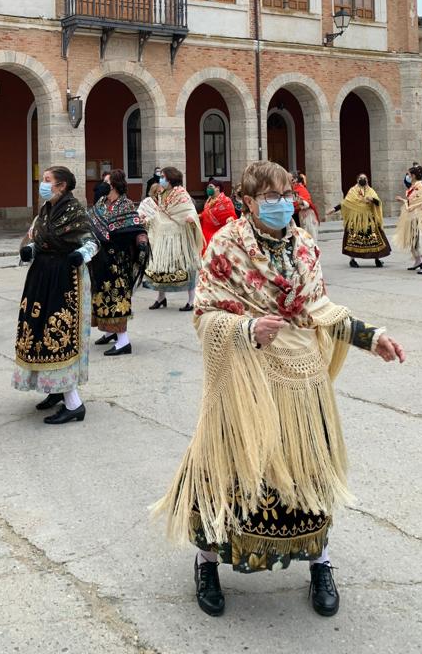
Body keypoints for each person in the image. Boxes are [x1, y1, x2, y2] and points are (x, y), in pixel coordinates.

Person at [153, 160, 405, 620]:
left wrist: (372, 338)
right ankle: (207, 562)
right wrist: (247, 327)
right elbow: (206, 314)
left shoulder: (306, 245)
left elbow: (320, 309)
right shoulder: (226, 248)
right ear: (247, 201)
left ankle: (319, 561)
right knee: (228, 470)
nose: (282, 203)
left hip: (302, 380)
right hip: (247, 379)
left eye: (286, 193)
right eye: (270, 197)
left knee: (310, 471)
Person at [13, 166, 98, 424]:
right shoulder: (46, 211)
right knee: (37, 330)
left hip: (66, 278)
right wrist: (31, 251)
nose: (43, 183)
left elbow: (92, 242)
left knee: (58, 334)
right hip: (42, 276)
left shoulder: (75, 211)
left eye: (48, 181)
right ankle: (55, 390)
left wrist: (79, 255)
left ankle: (74, 404)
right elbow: (40, 240)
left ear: (61, 186)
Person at [88, 168, 148, 355]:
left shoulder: (126, 204)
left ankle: (124, 341)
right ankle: (109, 332)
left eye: (106, 182)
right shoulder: (101, 203)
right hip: (100, 258)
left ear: (113, 185)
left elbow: (135, 226)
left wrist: (142, 242)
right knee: (100, 295)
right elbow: (90, 222)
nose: (102, 185)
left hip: (118, 260)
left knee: (117, 296)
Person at [138, 166, 203, 312]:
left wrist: (191, 218)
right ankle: (161, 298)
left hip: (180, 237)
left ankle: (191, 300)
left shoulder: (181, 193)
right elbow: (159, 215)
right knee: (162, 268)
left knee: (185, 267)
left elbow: (190, 210)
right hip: (164, 237)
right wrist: (147, 220)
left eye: (163, 177)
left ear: (170, 178)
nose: (160, 179)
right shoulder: (163, 194)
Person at [329, 173, 391, 268]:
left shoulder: (371, 191)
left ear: (367, 180)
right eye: (361, 178)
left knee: (374, 238)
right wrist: (334, 209)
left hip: (369, 218)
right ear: (357, 180)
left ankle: (377, 259)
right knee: (353, 239)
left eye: (365, 178)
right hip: (356, 219)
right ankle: (352, 259)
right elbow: (345, 203)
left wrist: (373, 200)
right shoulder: (352, 191)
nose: (363, 179)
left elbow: (379, 202)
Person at [394, 164, 422, 275]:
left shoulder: (420, 186)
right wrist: (403, 200)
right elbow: (413, 202)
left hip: (421, 217)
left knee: (421, 239)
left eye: (408, 174)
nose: (407, 176)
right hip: (413, 216)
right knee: (414, 240)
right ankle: (421, 262)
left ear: (413, 175)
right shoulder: (413, 187)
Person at [198, 181, 237, 253]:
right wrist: (199, 216)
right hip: (205, 233)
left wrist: (230, 219)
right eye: (207, 187)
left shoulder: (226, 200)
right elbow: (206, 213)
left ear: (217, 188)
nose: (208, 189)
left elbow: (232, 215)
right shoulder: (208, 200)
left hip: (217, 234)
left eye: (210, 187)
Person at [292, 172, 320, 241]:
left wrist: (300, 202)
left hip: (306, 217)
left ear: (295, 180)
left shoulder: (301, 189)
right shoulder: (292, 189)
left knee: (308, 238)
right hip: (296, 216)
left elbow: (307, 203)